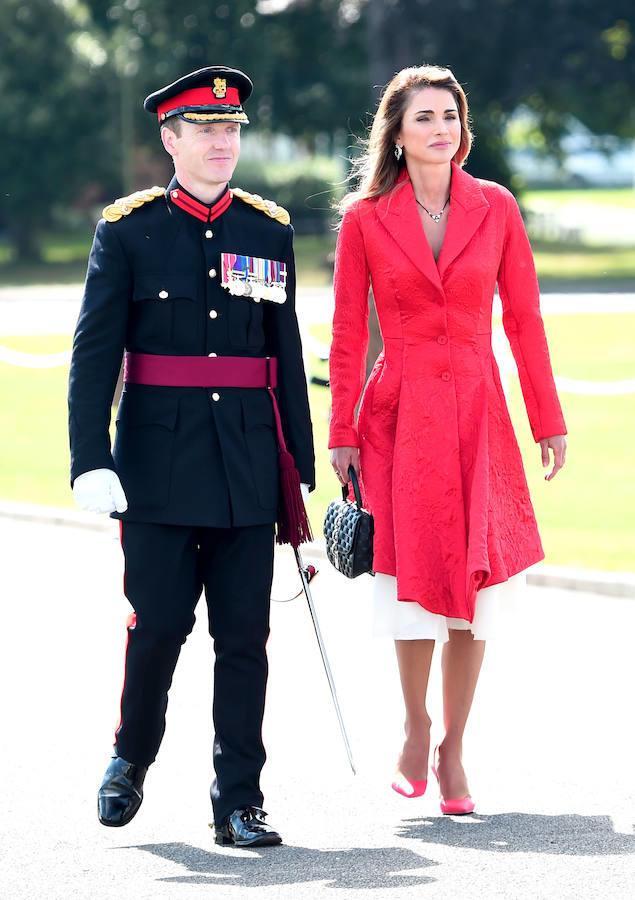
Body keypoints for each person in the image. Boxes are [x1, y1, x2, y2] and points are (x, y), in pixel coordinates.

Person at [68, 65, 315, 847]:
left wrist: (299, 471)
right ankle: (129, 758)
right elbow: (94, 354)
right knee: (161, 627)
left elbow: (283, 350)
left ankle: (238, 798)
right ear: (170, 139)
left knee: (244, 638)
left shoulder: (266, 228)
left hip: (246, 467)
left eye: (231, 129)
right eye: (205, 130)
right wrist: (89, 458)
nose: (221, 142)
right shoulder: (129, 229)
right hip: (156, 467)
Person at [328, 64, 567, 814]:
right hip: (395, 418)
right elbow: (342, 333)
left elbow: (524, 320)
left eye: (449, 116)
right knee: (410, 584)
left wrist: (547, 419)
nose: (440, 129)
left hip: (476, 418)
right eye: (423, 117)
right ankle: (413, 723)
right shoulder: (365, 218)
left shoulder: (495, 208)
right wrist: (339, 432)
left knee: (476, 589)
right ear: (395, 135)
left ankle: (452, 750)